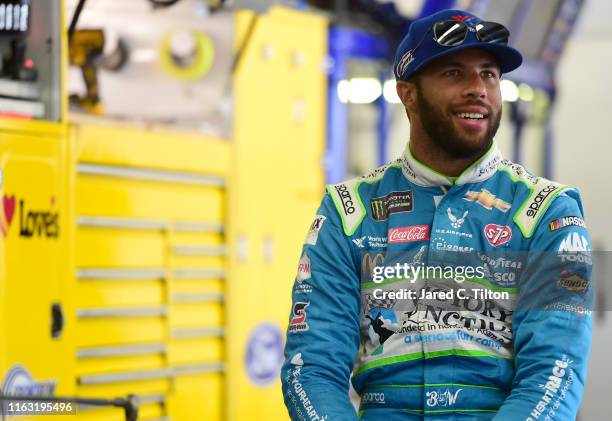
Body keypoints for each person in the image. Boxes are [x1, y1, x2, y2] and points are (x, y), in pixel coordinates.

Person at [281, 8, 593, 421]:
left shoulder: (548, 212)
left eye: (489, 74)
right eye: (454, 74)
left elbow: (554, 374)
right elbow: (311, 369)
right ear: (408, 93)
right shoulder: (348, 213)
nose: (478, 88)